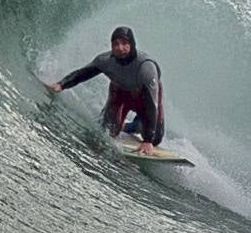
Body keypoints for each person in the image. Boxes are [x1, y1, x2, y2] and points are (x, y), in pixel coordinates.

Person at [45, 26, 164, 155]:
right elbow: (83, 73)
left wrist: (148, 141)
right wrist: (61, 84)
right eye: (116, 44)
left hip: (144, 98)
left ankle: (134, 125)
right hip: (120, 94)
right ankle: (121, 123)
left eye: (124, 43)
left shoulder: (146, 66)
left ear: (132, 44)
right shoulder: (105, 60)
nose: (120, 48)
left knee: (155, 138)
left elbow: (151, 104)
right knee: (107, 131)